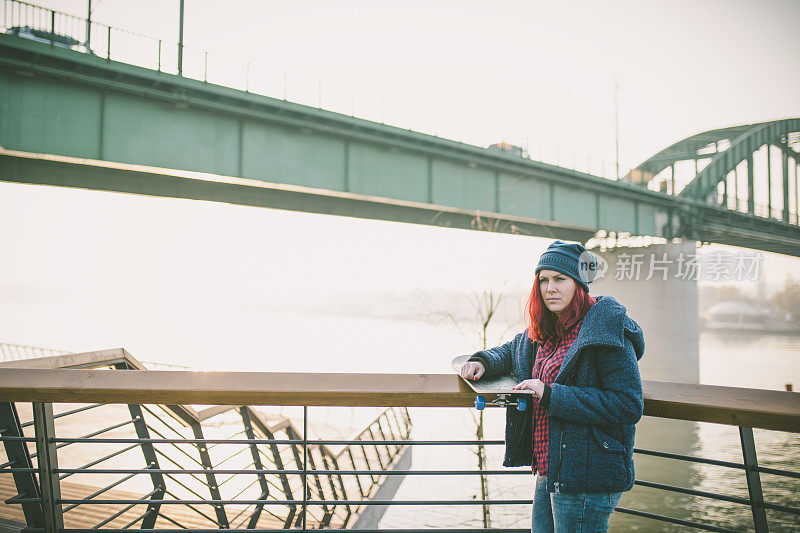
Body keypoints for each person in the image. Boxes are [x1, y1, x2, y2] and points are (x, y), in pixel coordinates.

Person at [460, 240, 645, 533]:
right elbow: (511, 351)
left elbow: (627, 404)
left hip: (587, 473)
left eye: (560, 279)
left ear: (579, 285)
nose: (550, 288)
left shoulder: (605, 329)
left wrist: (550, 394)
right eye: (543, 280)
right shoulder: (550, 330)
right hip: (552, 468)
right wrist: (483, 361)